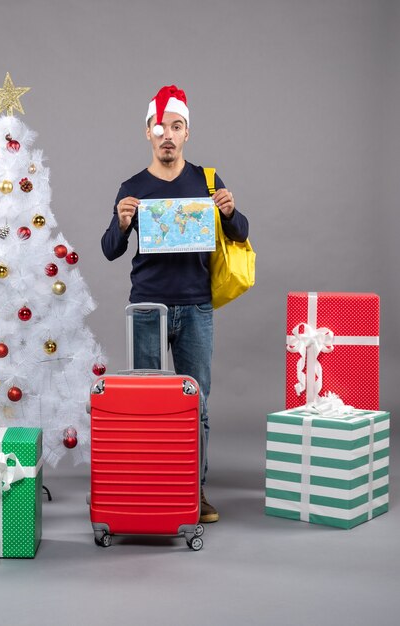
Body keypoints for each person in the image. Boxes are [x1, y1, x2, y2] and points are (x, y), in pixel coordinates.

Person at [101, 85, 249, 523]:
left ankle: (192, 491)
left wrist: (228, 212)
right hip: (147, 307)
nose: (168, 134)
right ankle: (149, 486)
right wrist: (122, 222)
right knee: (146, 404)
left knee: (195, 403)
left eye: (177, 126)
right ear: (147, 132)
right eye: (160, 126)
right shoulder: (132, 186)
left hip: (196, 306)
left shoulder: (206, 180)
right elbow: (110, 250)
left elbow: (240, 233)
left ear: (187, 134)